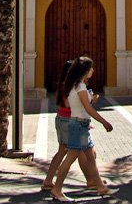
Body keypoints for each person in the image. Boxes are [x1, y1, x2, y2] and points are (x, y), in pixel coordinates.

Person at [51, 56, 114, 202]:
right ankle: (57, 189)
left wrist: (90, 99)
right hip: (79, 126)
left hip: (81, 125)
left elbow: (81, 104)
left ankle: (100, 186)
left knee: (91, 158)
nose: (92, 70)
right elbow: (88, 109)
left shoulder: (75, 85)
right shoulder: (80, 87)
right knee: (70, 158)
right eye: (90, 68)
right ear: (84, 71)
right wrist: (104, 122)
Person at [41, 60, 99, 191]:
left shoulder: (66, 84)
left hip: (63, 118)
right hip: (69, 120)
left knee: (64, 151)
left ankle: (49, 180)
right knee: (82, 152)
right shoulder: (70, 86)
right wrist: (88, 100)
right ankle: (91, 181)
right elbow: (68, 104)